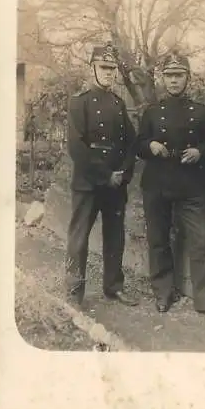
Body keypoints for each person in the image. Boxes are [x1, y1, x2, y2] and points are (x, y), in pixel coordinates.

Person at [135, 51, 205, 323]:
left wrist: (200, 151)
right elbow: (138, 144)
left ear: (187, 78)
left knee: (201, 241)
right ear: (162, 79)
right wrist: (149, 146)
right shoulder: (151, 113)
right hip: (157, 184)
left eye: (179, 75)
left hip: (191, 186)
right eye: (169, 76)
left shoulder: (200, 112)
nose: (174, 81)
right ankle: (163, 293)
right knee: (158, 240)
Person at [65, 43, 138, 308]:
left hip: (116, 184)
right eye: (104, 68)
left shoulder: (119, 104)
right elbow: (77, 147)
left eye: (112, 69)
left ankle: (113, 287)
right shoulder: (79, 102)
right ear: (92, 69)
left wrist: (124, 174)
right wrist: (106, 175)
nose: (109, 73)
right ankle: (73, 292)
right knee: (79, 236)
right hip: (88, 182)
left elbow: (132, 142)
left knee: (115, 235)